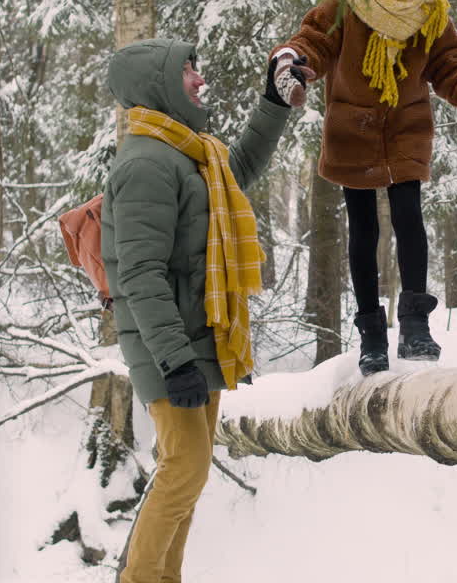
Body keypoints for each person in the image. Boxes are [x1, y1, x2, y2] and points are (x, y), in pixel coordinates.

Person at [102, 38, 307, 583]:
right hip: (166, 347)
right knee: (185, 469)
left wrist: (273, 103)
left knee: (187, 476)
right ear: (158, 84)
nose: (199, 77)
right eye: (187, 69)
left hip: (199, 338)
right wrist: (174, 360)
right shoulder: (145, 163)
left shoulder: (191, 153)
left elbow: (239, 166)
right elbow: (140, 275)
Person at [270, 0, 457, 376]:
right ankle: (372, 333)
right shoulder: (348, 0)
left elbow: (451, 66)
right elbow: (316, 39)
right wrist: (295, 60)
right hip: (353, 126)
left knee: (409, 216)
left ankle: (415, 325)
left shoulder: (430, 8)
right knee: (363, 229)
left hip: (406, 126)